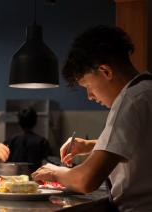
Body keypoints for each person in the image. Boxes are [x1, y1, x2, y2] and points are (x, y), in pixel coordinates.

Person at [31, 25, 152, 211]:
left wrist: (55, 172)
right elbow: (140, 144)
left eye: (88, 85)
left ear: (105, 72)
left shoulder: (129, 101)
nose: (90, 96)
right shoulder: (146, 89)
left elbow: (86, 180)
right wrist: (90, 145)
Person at [4, 107, 51, 171]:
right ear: (35, 121)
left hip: (13, 178)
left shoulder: (10, 140)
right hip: (34, 178)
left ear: (19, 121)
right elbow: (48, 163)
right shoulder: (42, 142)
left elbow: (3, 160)